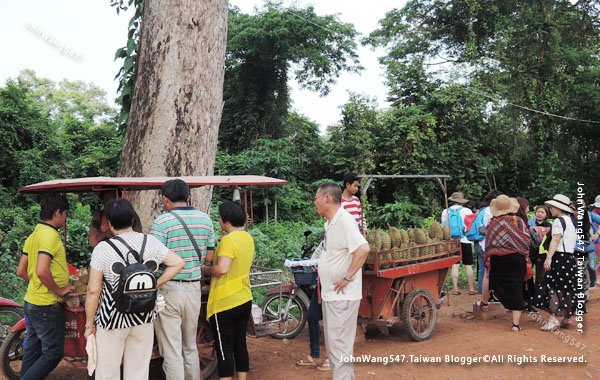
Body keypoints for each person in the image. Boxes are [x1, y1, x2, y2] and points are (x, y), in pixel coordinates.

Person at [84, 198, 184, 380]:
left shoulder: (103, 249)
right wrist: (156, 283)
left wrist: (89, 324)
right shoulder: (151, 242)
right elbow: (178, 263)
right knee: (138, 371)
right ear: (132, 219)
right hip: (144, 315)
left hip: (111, 319)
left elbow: (93, 290)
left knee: (107, 371)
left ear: (110, 223)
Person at [149, 179, 215, 380]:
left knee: (171, 349)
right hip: (194, 289)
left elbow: (153, 260)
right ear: (188, 196)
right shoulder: (205, 220)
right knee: (190, 346)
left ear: (165, 199)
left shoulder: (162, 222)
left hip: (169, 289)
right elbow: (209, 258)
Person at [314, 183, 370, 380]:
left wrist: (348, 276)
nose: (315, 203)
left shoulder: (344, 220)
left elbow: (363, 249)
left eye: (317, 198)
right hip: (332, 295)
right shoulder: (330, 222)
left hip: (342, 296)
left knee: (339, 348)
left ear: (327, 198)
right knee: (335, 347)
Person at [17, 194, 74, 380]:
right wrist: (59, 290)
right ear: (58, 212)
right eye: (65, 213)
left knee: (33, 350)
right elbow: (42, 271)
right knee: (53, 354)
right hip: (46, 306)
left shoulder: (34, 234)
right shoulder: (50, 235)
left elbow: (21, 270)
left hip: (31, 301)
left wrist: (37, 286)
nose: (66, 217)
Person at [201, 201, 254, 380]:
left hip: (225, 303)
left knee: (224, 349)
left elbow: (222, 269)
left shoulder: (228, 241)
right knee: (240, 344)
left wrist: (205, 269)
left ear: (226, 220)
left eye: (220, 218)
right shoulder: (247, 238)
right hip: (244, 297)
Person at [475, 195, 531, 331]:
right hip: (516, 259)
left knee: (490, 277)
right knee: (517, 286)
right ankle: (515, 325)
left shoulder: (493, 222)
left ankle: (484, 303)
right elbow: (526, 239)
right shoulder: (518, 221)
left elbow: (489, 242)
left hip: (498, 258)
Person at [534, 194, 578, 331]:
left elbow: (555, 240)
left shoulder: (559, 221)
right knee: (567, 288)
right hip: (570, 258)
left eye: (553, 207)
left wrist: (549, 258)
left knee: (553, 287)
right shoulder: (571, 220)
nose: (551, 209)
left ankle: (553, 319)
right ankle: (566, 318)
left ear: (559, 207)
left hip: (559, 258)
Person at [441, 192, 476, 295]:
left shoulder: (445, 211)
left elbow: (444, 227)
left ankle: (455, 288)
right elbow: (470, 226)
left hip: (452, 241)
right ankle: (471, 288)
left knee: (455, 265)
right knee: (468, 264)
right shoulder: (467, 211)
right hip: (465, 240)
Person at [473, 190, 501, 294]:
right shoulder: (491, 211)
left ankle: (480, 291)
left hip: (478, 242)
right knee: (489, 271)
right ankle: (488, 292)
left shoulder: (482, 210)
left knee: (481, 269)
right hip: (487, 244)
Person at [529, 205, 552, 287]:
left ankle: (538, 295)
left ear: (546, 215)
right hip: (530, 253)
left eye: (542, 212)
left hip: (542, 254)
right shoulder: (529, 223)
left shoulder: (549, 226)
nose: (539, 214)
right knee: (528, 274)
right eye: (538, 212)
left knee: (540, 276)